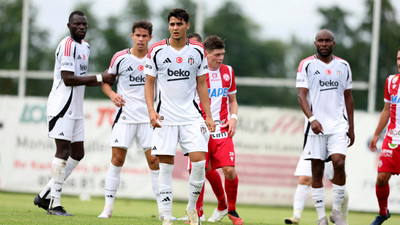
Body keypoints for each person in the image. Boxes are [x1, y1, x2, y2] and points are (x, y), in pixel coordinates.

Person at [33, 11, 116, 216]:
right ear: (69, 25)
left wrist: (103, 80)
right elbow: (69, 79)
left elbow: (81, 79)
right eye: (77, 24)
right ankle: (54, 203)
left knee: (78, 153)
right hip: (61, 106)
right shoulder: (67, 45)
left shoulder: (85, 46)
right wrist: (100, 77)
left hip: (76, 108)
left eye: (84, 25)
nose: (82, 27)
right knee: (62, 152)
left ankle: (45, 194)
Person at [144, 8, 216, 225]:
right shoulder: (156, 50)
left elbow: (202, 84)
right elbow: (149, 83)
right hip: (165, 117)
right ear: (169, 26)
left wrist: (209, 116)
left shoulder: (198, 51)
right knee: (165, 166)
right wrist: (151, 111)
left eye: (179, 24)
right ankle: (166, 215)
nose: (175, 28)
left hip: (191, 116)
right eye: (172, 24)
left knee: (199, 162)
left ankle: (192, 210)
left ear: (187, 25)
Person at [97, 20, 163, 219]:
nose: (141, 39)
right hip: (124, 117)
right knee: (117, 160)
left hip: (148, 119)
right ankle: (107, 209)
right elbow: (106, 83)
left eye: (145, 36)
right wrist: (112, 95)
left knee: (154, 162)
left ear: (150, 38)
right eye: (138, 35)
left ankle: (162, 211)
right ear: (132, 36)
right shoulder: (120, 57)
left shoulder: (156, 58)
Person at [296, 29, 354, 225]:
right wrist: (312, 119)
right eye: (320, 41)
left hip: (338, 125)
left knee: (339, 163)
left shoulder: (344, 65)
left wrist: (351, 127)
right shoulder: (306, 65)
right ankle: (321, 217)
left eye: (327, 41)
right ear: (315, 43)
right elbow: (301, 95)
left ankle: (336, 212)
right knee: (317, 171)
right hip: (316, 126)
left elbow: (348, 97)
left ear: (333, 43)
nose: (324, 44)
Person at [368, 48, 400, 225]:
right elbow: (387, 110)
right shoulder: (391, 81)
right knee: (381, 178)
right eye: (398, 58)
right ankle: (383, 212)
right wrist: (376, 134)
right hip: (393, 138)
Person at [284, 155, 349, 224]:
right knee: (304, 179)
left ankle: (343, 218)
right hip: (311, 149)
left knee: (337, 182)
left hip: (330, 151)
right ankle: (296, 216)